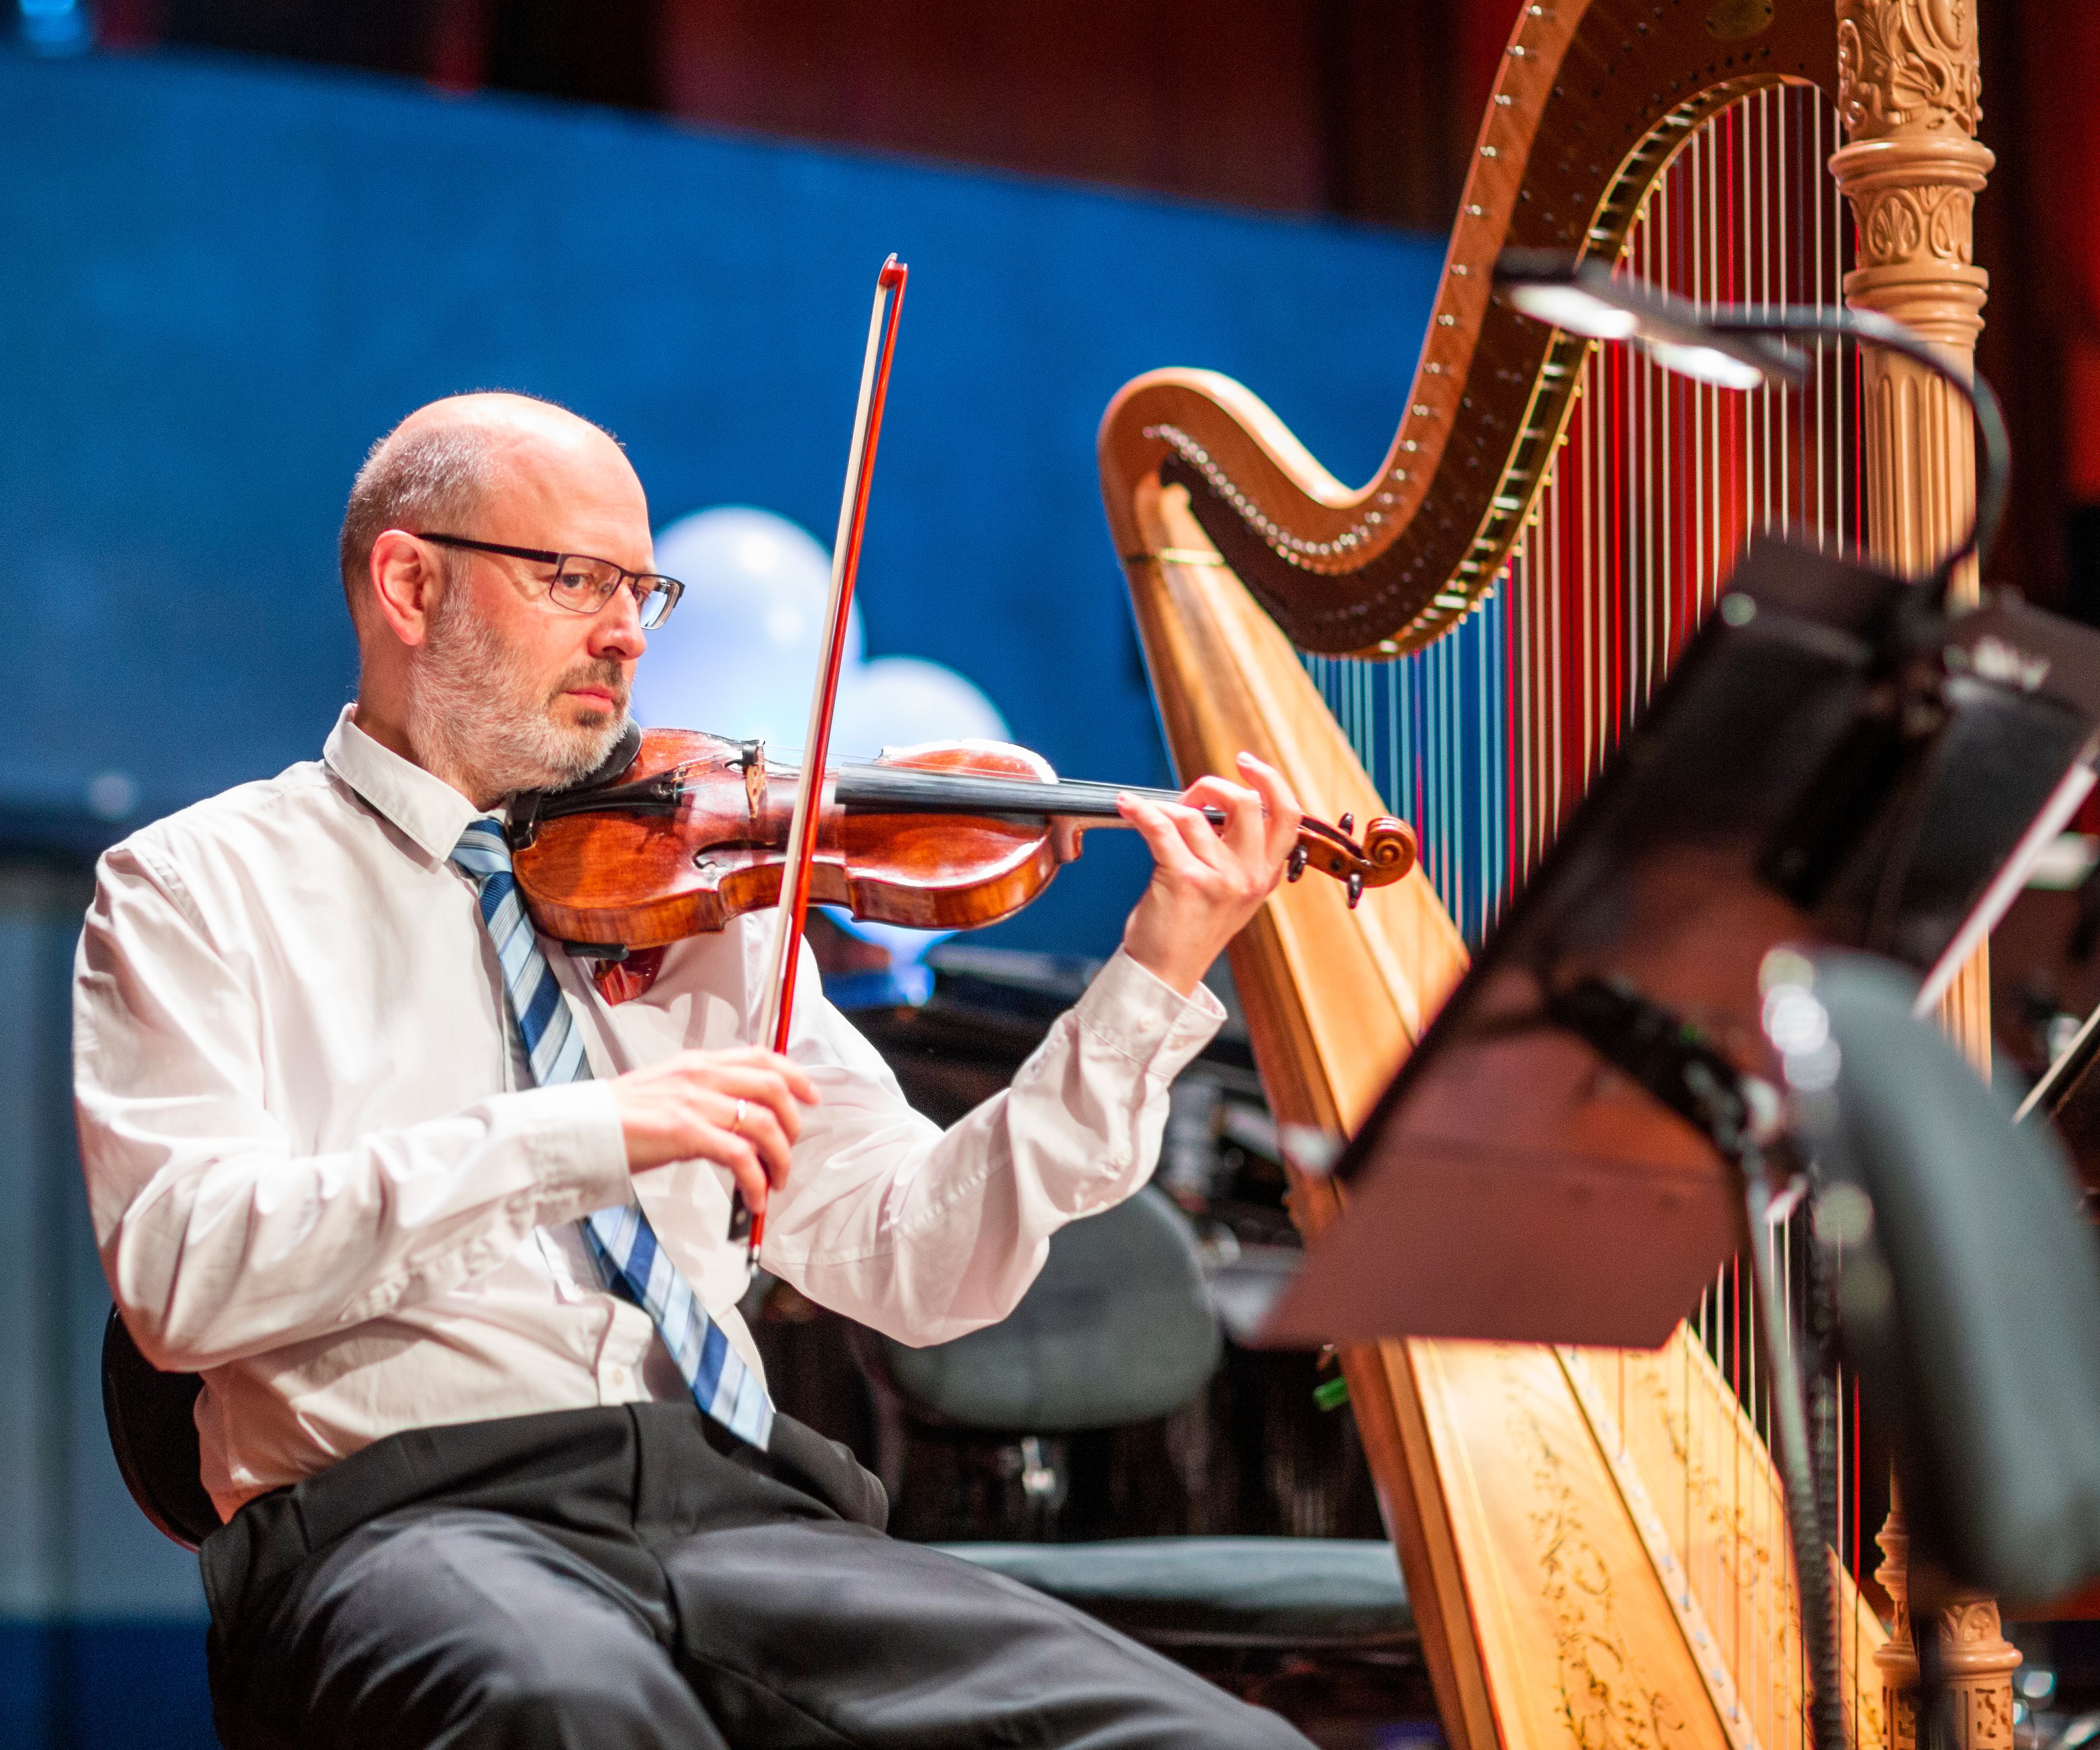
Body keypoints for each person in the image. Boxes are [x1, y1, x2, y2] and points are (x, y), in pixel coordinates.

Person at [74, 392, 1317, 1749]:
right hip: (407, 1523)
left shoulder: (707, 906)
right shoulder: (197, 886)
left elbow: (924, 1266)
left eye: (641, 588)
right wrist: (580, 1130)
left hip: (740, 1509)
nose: (624, 628)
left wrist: (1157, 971)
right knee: (568, 1710)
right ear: (410, 580)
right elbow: (182, 1279)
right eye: (573, 580)